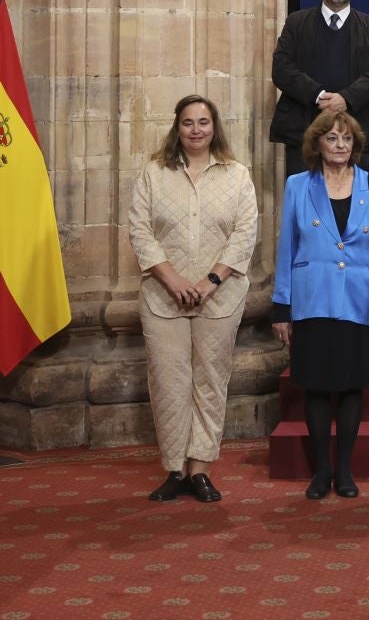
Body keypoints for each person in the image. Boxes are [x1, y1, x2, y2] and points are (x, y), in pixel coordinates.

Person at [127, 94, 258, 503]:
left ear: (214, 127)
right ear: (177, 127)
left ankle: (200, 468)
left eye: (204, 122)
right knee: (169, 383)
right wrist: (172, 280)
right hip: (162, 298)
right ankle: (174, 469)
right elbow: (140, 231)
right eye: (188, 122)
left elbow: (244, 232)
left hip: (219, 298)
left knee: (210, 382)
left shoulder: (237, 174)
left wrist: (209, 281)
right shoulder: (154, 172)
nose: (196, 130)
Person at [270, 109, 369, 500]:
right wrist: (282, 307)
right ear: (318, 143)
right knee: (315, 387)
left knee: (350, 388)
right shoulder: (298, 185)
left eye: (347, 139)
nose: (340, 145)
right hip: (312, 298)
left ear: (356, 145)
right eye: (332, 138)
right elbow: (286, 248)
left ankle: (344, 468)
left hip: (356, 301)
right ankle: (320, 471)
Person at [270, 0, 369, 178]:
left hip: (355, 133)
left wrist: (346, 99)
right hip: (304, 135)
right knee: (306, 208)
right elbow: (282, 69)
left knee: (353, 208)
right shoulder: (296, 23)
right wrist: (319, 95)